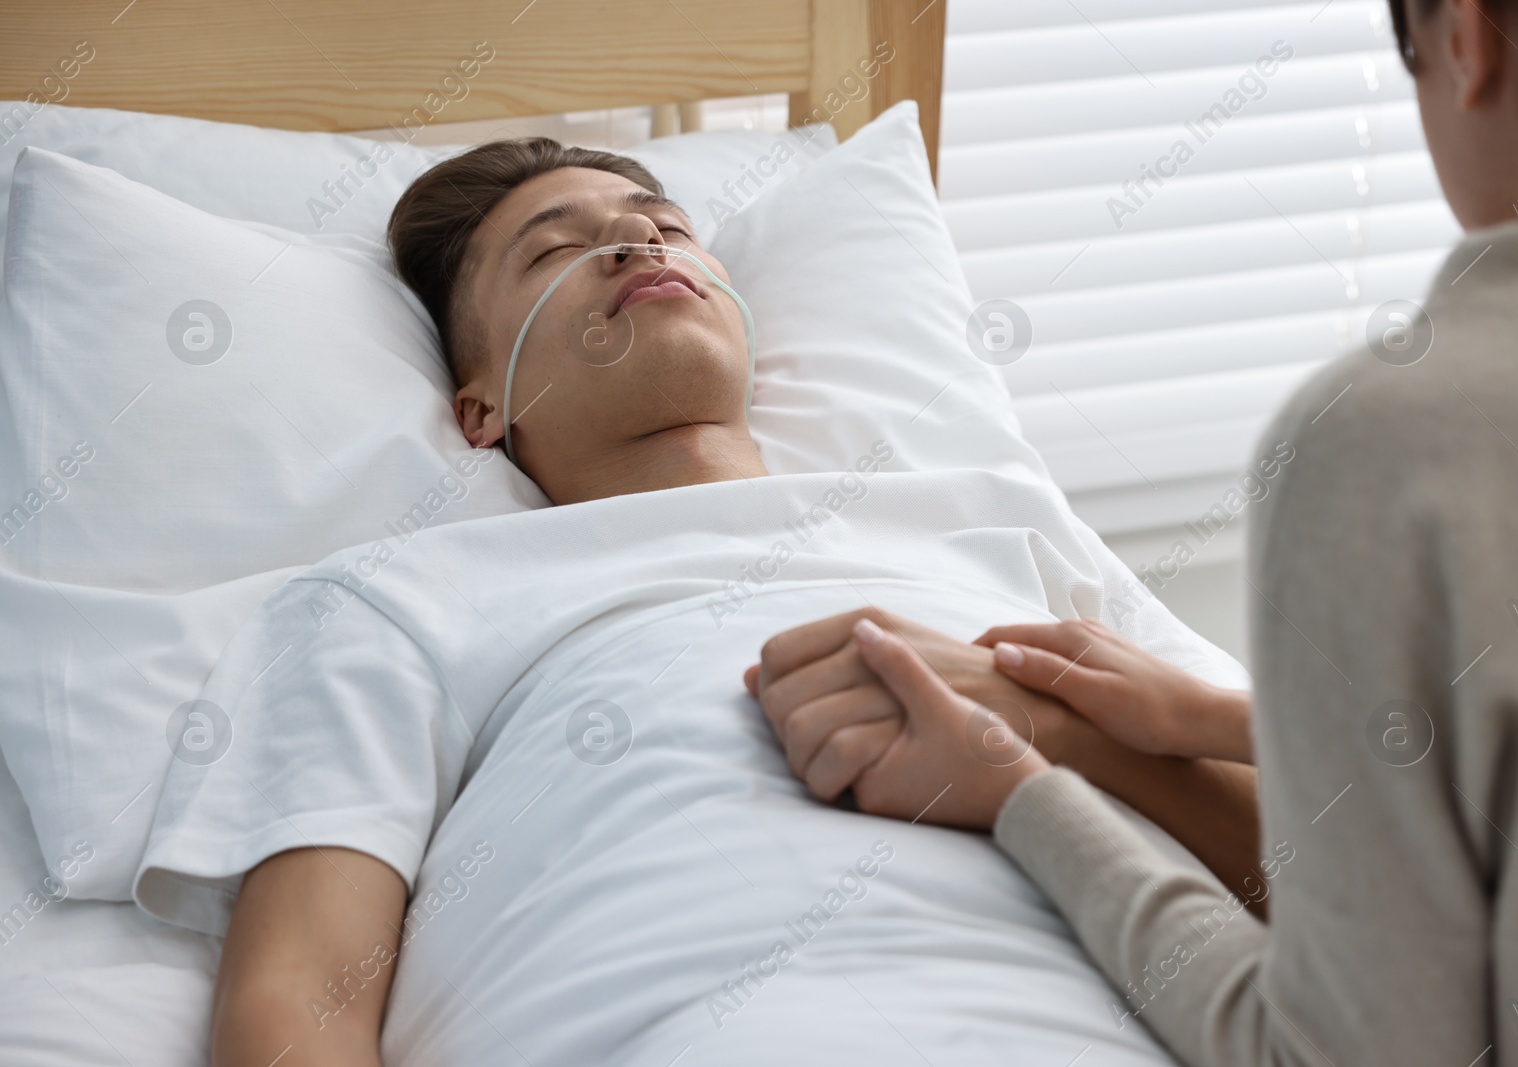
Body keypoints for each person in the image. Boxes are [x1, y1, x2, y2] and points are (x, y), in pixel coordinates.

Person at [160, 139, 1262, 1066]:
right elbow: (299, 997)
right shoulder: (400, 598)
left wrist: (1049, 737)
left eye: (668, 226)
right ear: (482, 406)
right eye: (555, 248)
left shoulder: (993, 523)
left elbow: (1337, 883)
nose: (637, 243)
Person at [746, 1, 1518, 1064]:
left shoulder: (1396, 448)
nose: (636, 246)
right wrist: (1214, 716)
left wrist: (1024, 788)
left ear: (1468, 40)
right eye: (553, 241)